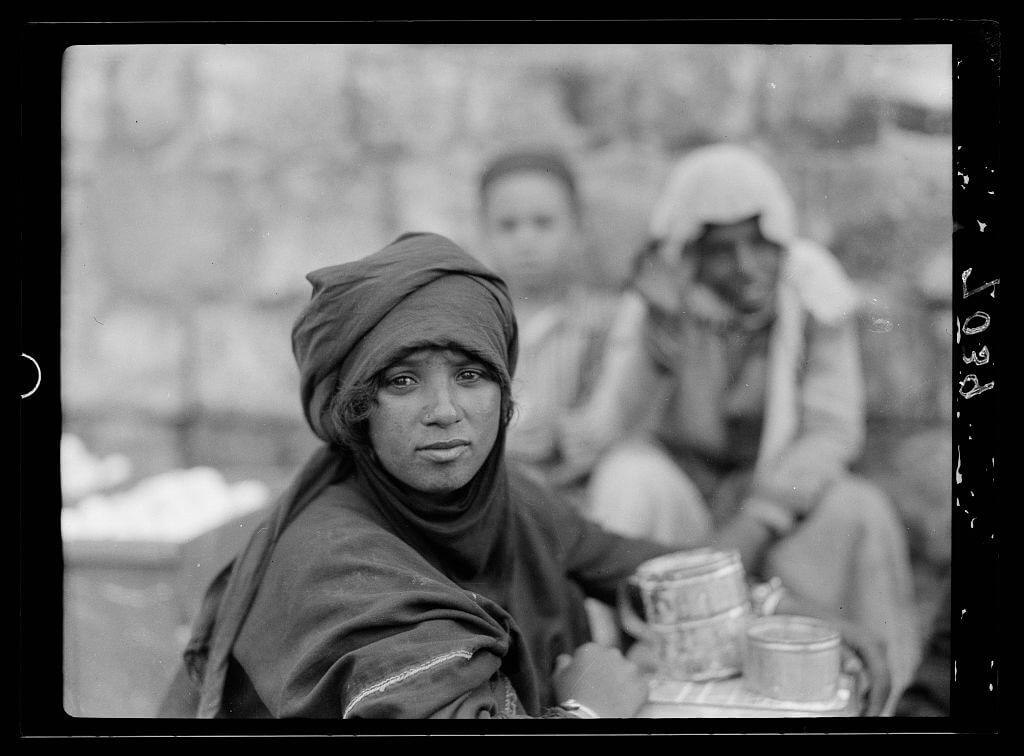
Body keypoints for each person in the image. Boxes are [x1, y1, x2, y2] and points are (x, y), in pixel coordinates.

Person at [157, 231, 678, 719]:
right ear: (359, 409)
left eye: (470, 375)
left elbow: (627, 563)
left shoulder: (507, 499)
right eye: (404, 381)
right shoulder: (333, 564)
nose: (445, 410)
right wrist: (587, 711)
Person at [558, 143, 920, 712]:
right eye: (722, 251)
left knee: (860, 512)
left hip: (780, 498)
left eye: (759, 243)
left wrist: (759, 518)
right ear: (692, 253)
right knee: (628, 478)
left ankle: (881, 701)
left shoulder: (812, 290)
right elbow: (610, 426)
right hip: (690, 502)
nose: (746, 265)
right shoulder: (665, 292)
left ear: (781, 238)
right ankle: (619, 684)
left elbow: (832, 431)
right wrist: (660, 327)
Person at [476, 150, 619, 489]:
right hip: (496, 489)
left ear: (577, 228)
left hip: (578, 490)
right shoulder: (472, 324)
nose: (526, 241)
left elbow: (623, 406)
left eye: (543, 223)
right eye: (508, 226)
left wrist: (593, 434)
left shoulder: (606, 320)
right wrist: (496, 443)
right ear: (483, 232)